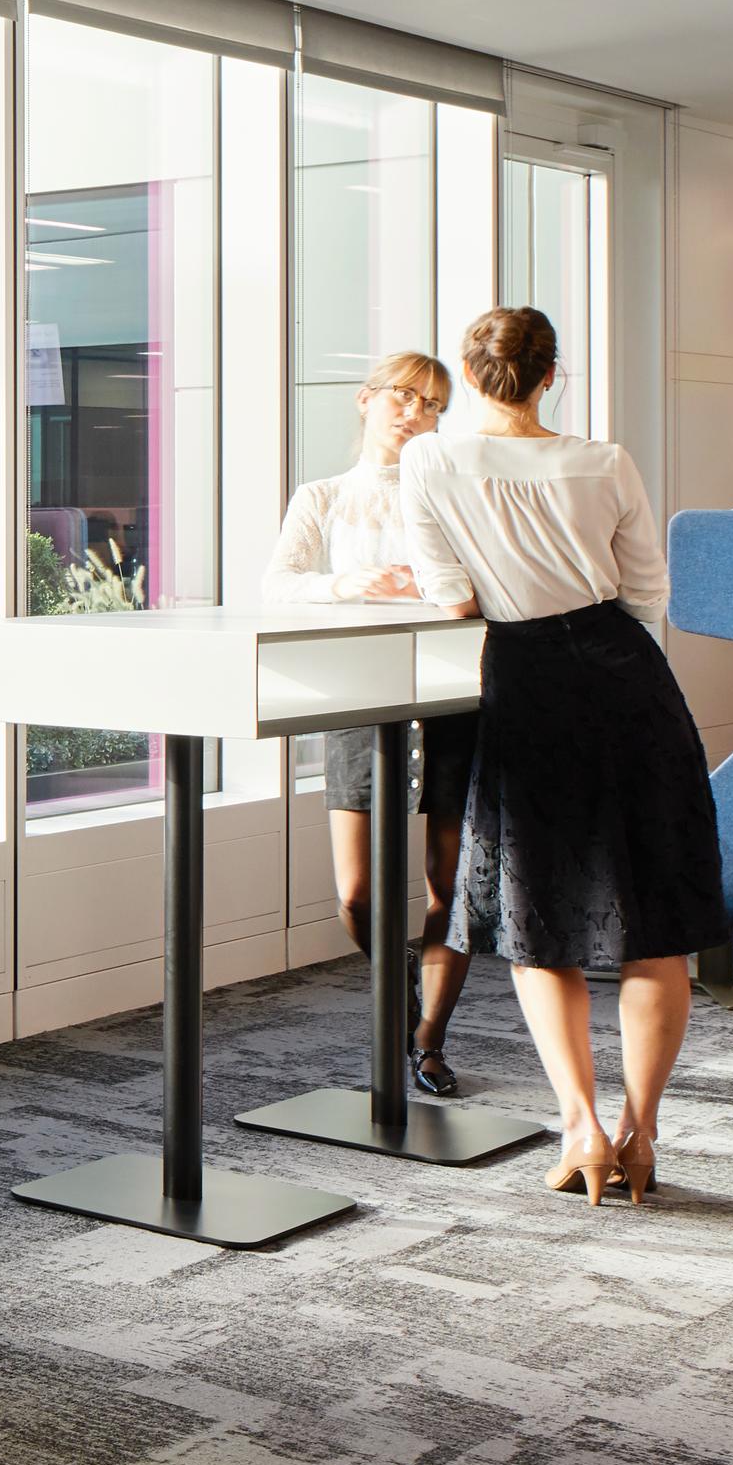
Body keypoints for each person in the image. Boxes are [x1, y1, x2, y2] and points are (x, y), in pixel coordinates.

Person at [400, 305, 725, 1206]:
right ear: (552, 376)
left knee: (540, 914)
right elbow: (646, 593)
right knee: (653, 918)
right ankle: (641, 1135)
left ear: (469, 376)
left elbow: (451, 597)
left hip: (527, 683)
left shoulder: (430, 460)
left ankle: (581, 1128)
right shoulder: (604, 460)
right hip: (627, 680)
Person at [262, 350, 477, 1094]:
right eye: (405, 397)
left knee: (449, 891)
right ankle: (405, 997)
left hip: (452, 697)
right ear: (366, 399)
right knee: (355, 893)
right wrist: (348, 583)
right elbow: (279, 584)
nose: (417, 413)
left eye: (434, 404)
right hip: (361, 699)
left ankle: (429, 1040)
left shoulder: (453, 497)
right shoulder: (322, 496)